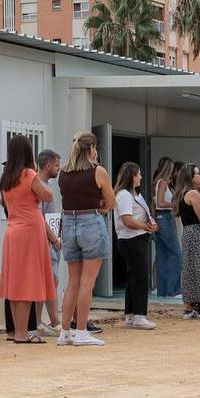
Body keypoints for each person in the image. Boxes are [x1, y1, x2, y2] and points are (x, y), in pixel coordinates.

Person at [56, 132, 115, 347]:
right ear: (91, 149)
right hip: (90, 221)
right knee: (87, 282)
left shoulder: (63, 172)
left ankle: (65, 331)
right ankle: (81, 330)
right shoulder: (97, 171)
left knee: (72, 281)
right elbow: (111, 201)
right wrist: (100, 204)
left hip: (68, 222)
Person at [0, 135, 57, 344]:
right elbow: (47, 195)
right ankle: (23, 333)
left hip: (12, 230)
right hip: (30, 230)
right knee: (26, 282)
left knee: (15, 284)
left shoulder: (6, 177)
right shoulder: (29, 174)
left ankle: (18, 331)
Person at [114, 162, 158, 330]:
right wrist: (144, 226)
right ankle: (139, 314)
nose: (140, 177)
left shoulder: (133, 194)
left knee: (134, 277)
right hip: (131, 239)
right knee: (140, 276)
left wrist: (149, 224)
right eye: (138, 174)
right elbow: (127, 220)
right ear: (132, 176)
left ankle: (131, 314)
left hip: (136, 239)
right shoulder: (124, 195)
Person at [174, 164, 200, 319]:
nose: (199, 176)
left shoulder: (184, 194)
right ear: (190, 177)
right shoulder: (193, 194)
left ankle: (191, 305)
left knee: (191, 269)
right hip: (197, 233)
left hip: (188, 234)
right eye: (196, 174)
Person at [35, 149, 65, 336]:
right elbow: (39, 216)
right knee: (49, 280)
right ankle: (51, 321)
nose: (58, 168)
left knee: (50, 281)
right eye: (56, 165)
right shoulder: (40, 187)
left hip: (51, 238)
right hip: (47, 240)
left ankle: (47, 320)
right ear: (47, 165)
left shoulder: (45, 185)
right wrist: (53, 239)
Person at [151, 156, 183, 298]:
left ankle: (163, 289)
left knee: (163, 255)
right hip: (165, 217)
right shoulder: (163, 182)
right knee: (176, 254)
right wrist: (175, 204)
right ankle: (174, 290)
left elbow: (155, 204)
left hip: (160, 218)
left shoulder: (157, 182)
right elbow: (160, 202)